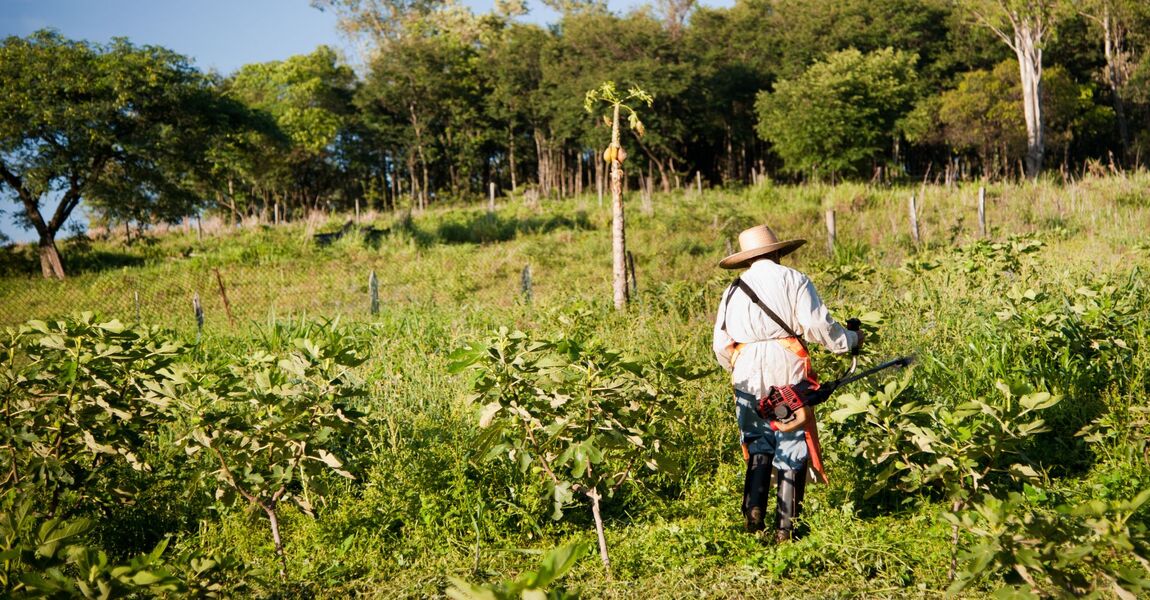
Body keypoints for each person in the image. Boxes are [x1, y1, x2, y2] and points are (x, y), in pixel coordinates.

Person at [712, 224, 863, 541]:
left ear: (748, 258)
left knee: (758, 442)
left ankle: (753, 513)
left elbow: (720, 344)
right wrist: (849, 340)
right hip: (787, 362)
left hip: (746, 368)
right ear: (778, 251)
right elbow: (817, 326)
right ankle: (786, 529)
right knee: (792, 441)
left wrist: (739, 366)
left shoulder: (733, 290)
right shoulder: (794, 279)